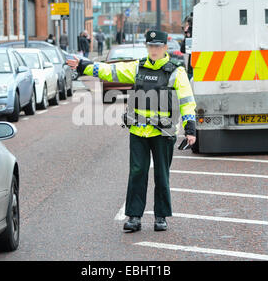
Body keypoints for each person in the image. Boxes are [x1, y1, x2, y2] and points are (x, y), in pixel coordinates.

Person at [67, 30, 197, 232]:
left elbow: (187, 101)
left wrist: (190, 128)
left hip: (163, 133)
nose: (154, 50)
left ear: (165, 48)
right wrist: (84, 65)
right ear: (147, 47)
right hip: (138, 131)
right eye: (151, 46)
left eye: (158, 46)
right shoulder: (138, 67)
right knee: (137, 174)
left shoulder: (176, 72)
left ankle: (161, 217)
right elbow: (110, 71)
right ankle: (134, 217)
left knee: (162, 175)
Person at [180, 13, 193, 80]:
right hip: (192, 67)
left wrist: (188, 35)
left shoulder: (191, 34)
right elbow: (183, 49)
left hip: (193, 68)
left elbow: (183, 49)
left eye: (187, 25)